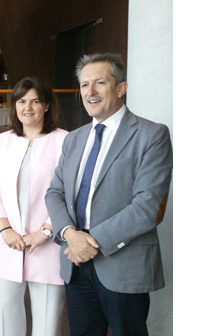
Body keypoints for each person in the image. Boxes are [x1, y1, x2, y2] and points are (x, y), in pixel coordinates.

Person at [45, 53, 173, 335]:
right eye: (84, 85)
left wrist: (90, 242)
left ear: (121, 88)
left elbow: (147, 207)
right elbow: (55, 192)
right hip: (75, 264)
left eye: (100, 83)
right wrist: (69, 234)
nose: (90, 92)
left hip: (122, 262)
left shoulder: (151, 135)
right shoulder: (74, 138)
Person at [0, 77, 67, 336]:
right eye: (21, 101)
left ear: (46, 106)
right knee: (8, 321)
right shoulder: (3, 140)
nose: (27, 107)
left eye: (34, 101)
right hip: (8, 242)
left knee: (47, 323)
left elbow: (69, 191)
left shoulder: (65, 140)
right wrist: (5, 228)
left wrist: (46, 231)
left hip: (48, 244)